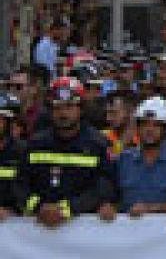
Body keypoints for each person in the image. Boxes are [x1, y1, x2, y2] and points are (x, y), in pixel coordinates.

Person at [15, 77, 115, 227]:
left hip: (83, 230)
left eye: (69, 106)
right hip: (39, 230)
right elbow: (20, 185)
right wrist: (38, 207)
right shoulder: (35, 144)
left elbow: (105, 187)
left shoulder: (98, 145)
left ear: (80, 109)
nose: (62, 113)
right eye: (57, 107)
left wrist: (68, 209)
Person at [113, 97, 166, 228]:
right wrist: (108, 206)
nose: (149, 130)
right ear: (137, 128)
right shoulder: (124, 160)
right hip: (126, 233)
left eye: (156, 125)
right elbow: (113, 198)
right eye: (144, 124)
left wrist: (151, 208)